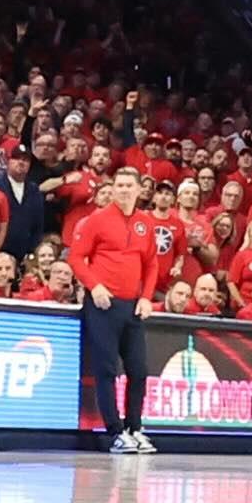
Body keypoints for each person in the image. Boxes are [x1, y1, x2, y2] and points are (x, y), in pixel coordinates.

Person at [65, 163, 176, 453]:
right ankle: (115, 432)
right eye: (120, 185)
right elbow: (76, 258)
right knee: (106, 370)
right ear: (113, 189)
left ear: (140, 190)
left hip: (133, 306)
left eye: (130, 186)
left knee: (138, 369)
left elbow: (151, 263)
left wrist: (146, 297)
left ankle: (135, 427)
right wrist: (94, 285)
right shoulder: (96, 220)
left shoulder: (146, 223)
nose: (124, 190)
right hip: (103, 304)